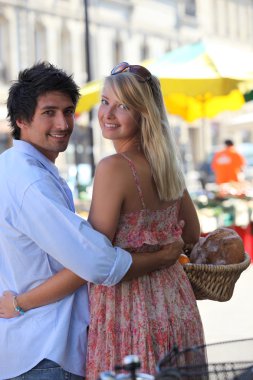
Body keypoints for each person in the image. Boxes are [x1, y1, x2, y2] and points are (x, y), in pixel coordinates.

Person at [0, 62, 184, 380]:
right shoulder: (31, 182)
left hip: (43, 341)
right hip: (45, 346)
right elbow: (97, 264)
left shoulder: (18, 168)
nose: (63, 123)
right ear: (21, 120)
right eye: (49, 112)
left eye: (69, 111)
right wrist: (162, 257)